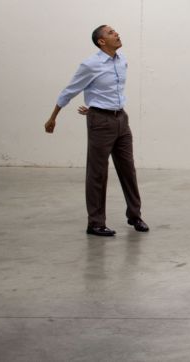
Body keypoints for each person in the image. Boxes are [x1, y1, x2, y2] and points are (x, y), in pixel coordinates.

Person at [44, 25, 149, 236]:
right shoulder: (90, 64)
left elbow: (109, 92)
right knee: (97, 173)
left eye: (116, 31)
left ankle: (134, 215)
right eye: (111, 33)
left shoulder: (122, 61)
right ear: (101, 41)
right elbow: (70, 90)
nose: (117, 34)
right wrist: (53, 117)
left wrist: (94, 105)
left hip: (121, 119)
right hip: (101, 123)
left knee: (128, 169)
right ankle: (95, 223)